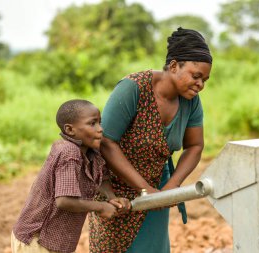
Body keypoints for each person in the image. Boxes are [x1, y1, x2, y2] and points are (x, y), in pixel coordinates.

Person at [89, 27, 212, 252]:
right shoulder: (134, 88)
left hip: (158, 182)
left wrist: (170, 188)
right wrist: (144, 189)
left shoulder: (191, 101)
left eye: (204, 80)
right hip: (116, 188)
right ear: (174, 66)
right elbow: (106, 142)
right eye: (196, 76)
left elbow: (195, 146)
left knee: (153, 247)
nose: (200, 85)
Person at [12, 99, 131, 253]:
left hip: (56, 243)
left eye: (100, 123)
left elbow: (102, 178)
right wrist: (101, 206)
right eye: (92, 123)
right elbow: (64, 201)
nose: (100, 129)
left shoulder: (91, 152)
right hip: (37, 239)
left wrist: (111, 197)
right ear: (69, 130)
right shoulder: (68, 152)